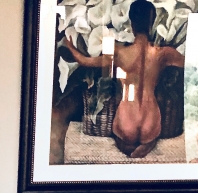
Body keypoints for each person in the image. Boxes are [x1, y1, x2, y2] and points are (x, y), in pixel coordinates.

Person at [62, 0, 184, 158]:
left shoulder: (119, 53)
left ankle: (127, 148)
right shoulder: (163, 54)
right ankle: (147, 145)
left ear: (132, 25)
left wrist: (70, 46)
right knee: (150, 137)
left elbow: (85, 61)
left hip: (127, 118)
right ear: (152, 23)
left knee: (121, 139)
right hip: (151, 119)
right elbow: (190, 63)